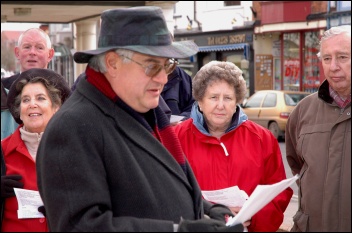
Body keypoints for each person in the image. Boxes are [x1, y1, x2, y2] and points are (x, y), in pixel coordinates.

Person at [35, 7, 244, 232]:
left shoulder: (142, 109)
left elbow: (163, 186)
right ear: (113, 63)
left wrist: (206, 208)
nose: (163, 78)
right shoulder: (72, 127)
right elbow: (81, 226)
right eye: (152, 66)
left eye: (168, 65)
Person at [174, 61, 293, 232]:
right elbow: (168, 192)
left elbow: (279, 194)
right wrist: (206, 215)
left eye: (228, 98)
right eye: (213, 97)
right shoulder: (177, 139)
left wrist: (253, 218)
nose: (220, 105)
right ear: (200, 101)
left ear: (237, 101)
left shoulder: (262, 139)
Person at [285, 25, 351, 232]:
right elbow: (298, 168)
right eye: (326, 58)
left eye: (342, 57)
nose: (333, 66)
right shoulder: (303, 111)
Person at [1, 68, 71, 232]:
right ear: (19, 110)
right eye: (25, 100)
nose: (32, 104)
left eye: (40, 98)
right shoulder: (2, 150)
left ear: (56, 107)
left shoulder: (75, 150)